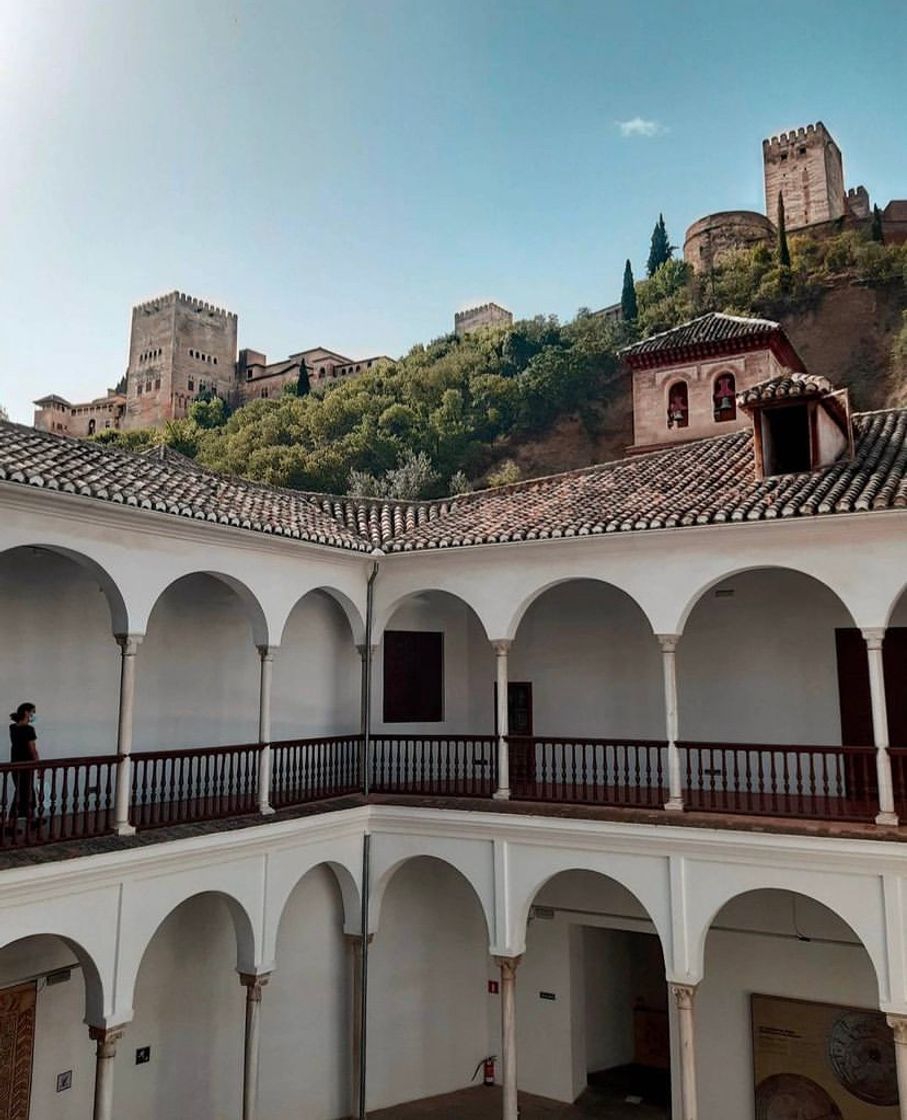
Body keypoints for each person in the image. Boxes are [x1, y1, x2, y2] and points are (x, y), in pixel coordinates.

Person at [8, 703, 38, 825]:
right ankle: (11, 823)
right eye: (32, 712)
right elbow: (33, 750)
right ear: (26, 712)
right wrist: (38, 765)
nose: (33, 715)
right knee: (24, 793)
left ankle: (31, 819)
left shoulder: (12, 727)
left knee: (24, 791)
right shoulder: (29, 729)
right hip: (26, 765)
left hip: (15, 764)